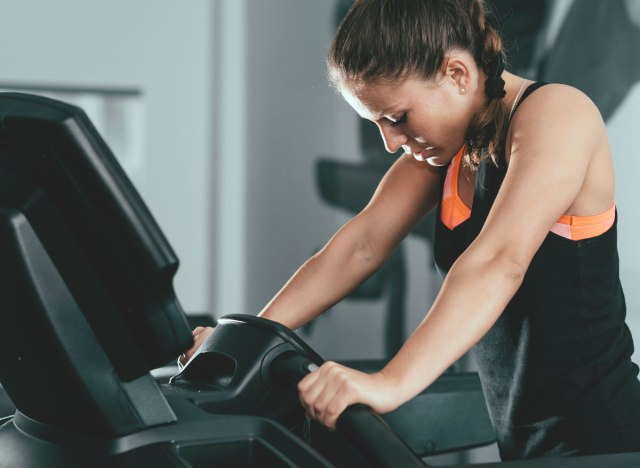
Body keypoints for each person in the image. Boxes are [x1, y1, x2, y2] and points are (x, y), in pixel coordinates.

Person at [182, 0, 640, 460]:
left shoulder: (558, 114)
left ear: (457, 74)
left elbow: (499, 263)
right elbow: (360, 246)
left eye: (398, 118)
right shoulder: (449, 151)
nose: (390, 142)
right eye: (378, 123)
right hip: (525, 443)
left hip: (605, 439)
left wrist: (388, 384)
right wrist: (241, 341)